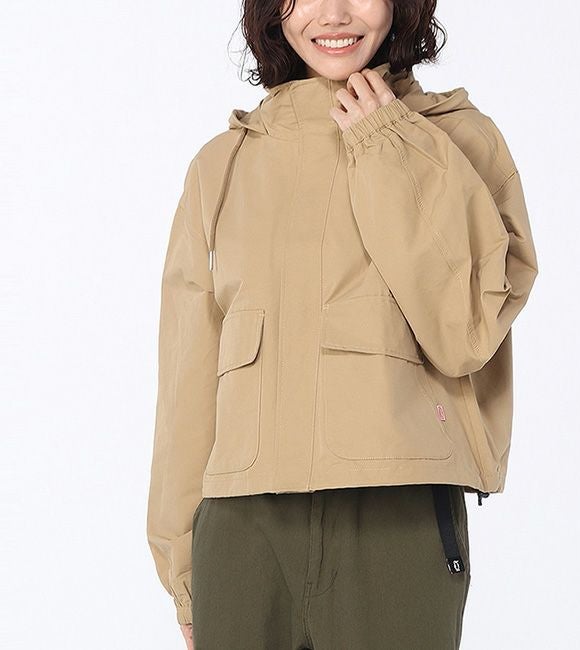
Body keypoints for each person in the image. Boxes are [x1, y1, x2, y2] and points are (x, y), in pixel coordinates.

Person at [146, 1, 539, 648]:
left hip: (391, 517)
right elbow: (186, 386)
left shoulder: (459, 141)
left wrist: (387, 143)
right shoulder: (220, 166)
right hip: (241, 535)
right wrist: (184, 570)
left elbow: (465, 328)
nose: (333, 14)